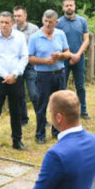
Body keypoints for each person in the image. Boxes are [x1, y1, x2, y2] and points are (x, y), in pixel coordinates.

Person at [0, 12, 29, 154]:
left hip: (16, 79)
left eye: (6, 22)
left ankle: (17, 140)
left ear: (12, 24)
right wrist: (5, 75)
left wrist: (15, 74)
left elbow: (24, 57)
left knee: (16, 111)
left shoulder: (20, 37)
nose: (3, 25)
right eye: (1, 22)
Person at [29, 10, 73, 144]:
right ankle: (40, 134)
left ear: (56, 22)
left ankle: (57, 131)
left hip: (59, 73)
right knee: (42, 105)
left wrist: (61, 56)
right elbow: (30, 58)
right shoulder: (35, 37)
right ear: (42, 20)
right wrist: (45, 61)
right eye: (45, 21)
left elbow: (68, 52)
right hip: (43, 75)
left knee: (60, 104)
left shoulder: (60, 34)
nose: (48, 24)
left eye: (50, 22)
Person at [58, 0, 91, 120]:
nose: (69, 7)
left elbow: (86, 39)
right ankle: (63, 112)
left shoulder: (82, 21)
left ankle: (83, 111)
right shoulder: (58, 23)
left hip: (79, 58)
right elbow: (56, 42)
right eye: (66, 5)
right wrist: (69, 55)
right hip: (63, 60)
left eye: (71, 5)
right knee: (62, 87)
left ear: (75, 6)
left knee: (80, 86)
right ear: (63, 7)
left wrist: (77, 55)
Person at [14, 6, 40, 126]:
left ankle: (41, 119)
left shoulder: (34, 29)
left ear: (25, 16)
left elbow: (39, 46)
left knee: (34, 93)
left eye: (19, 16)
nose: (17, 18)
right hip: (17, 66)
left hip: (30, 65)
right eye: (15, 16)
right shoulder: (12, 29)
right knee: (19, 95)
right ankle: (23, 120)